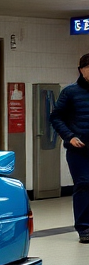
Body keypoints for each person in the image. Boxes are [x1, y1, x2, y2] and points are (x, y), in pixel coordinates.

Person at [49, 53, 89, 242]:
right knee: (83, 184)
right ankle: (84, 228)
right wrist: (70, 136)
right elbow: (55, 117)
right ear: (81, 70)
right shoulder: (70, 92)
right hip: (78, 150)